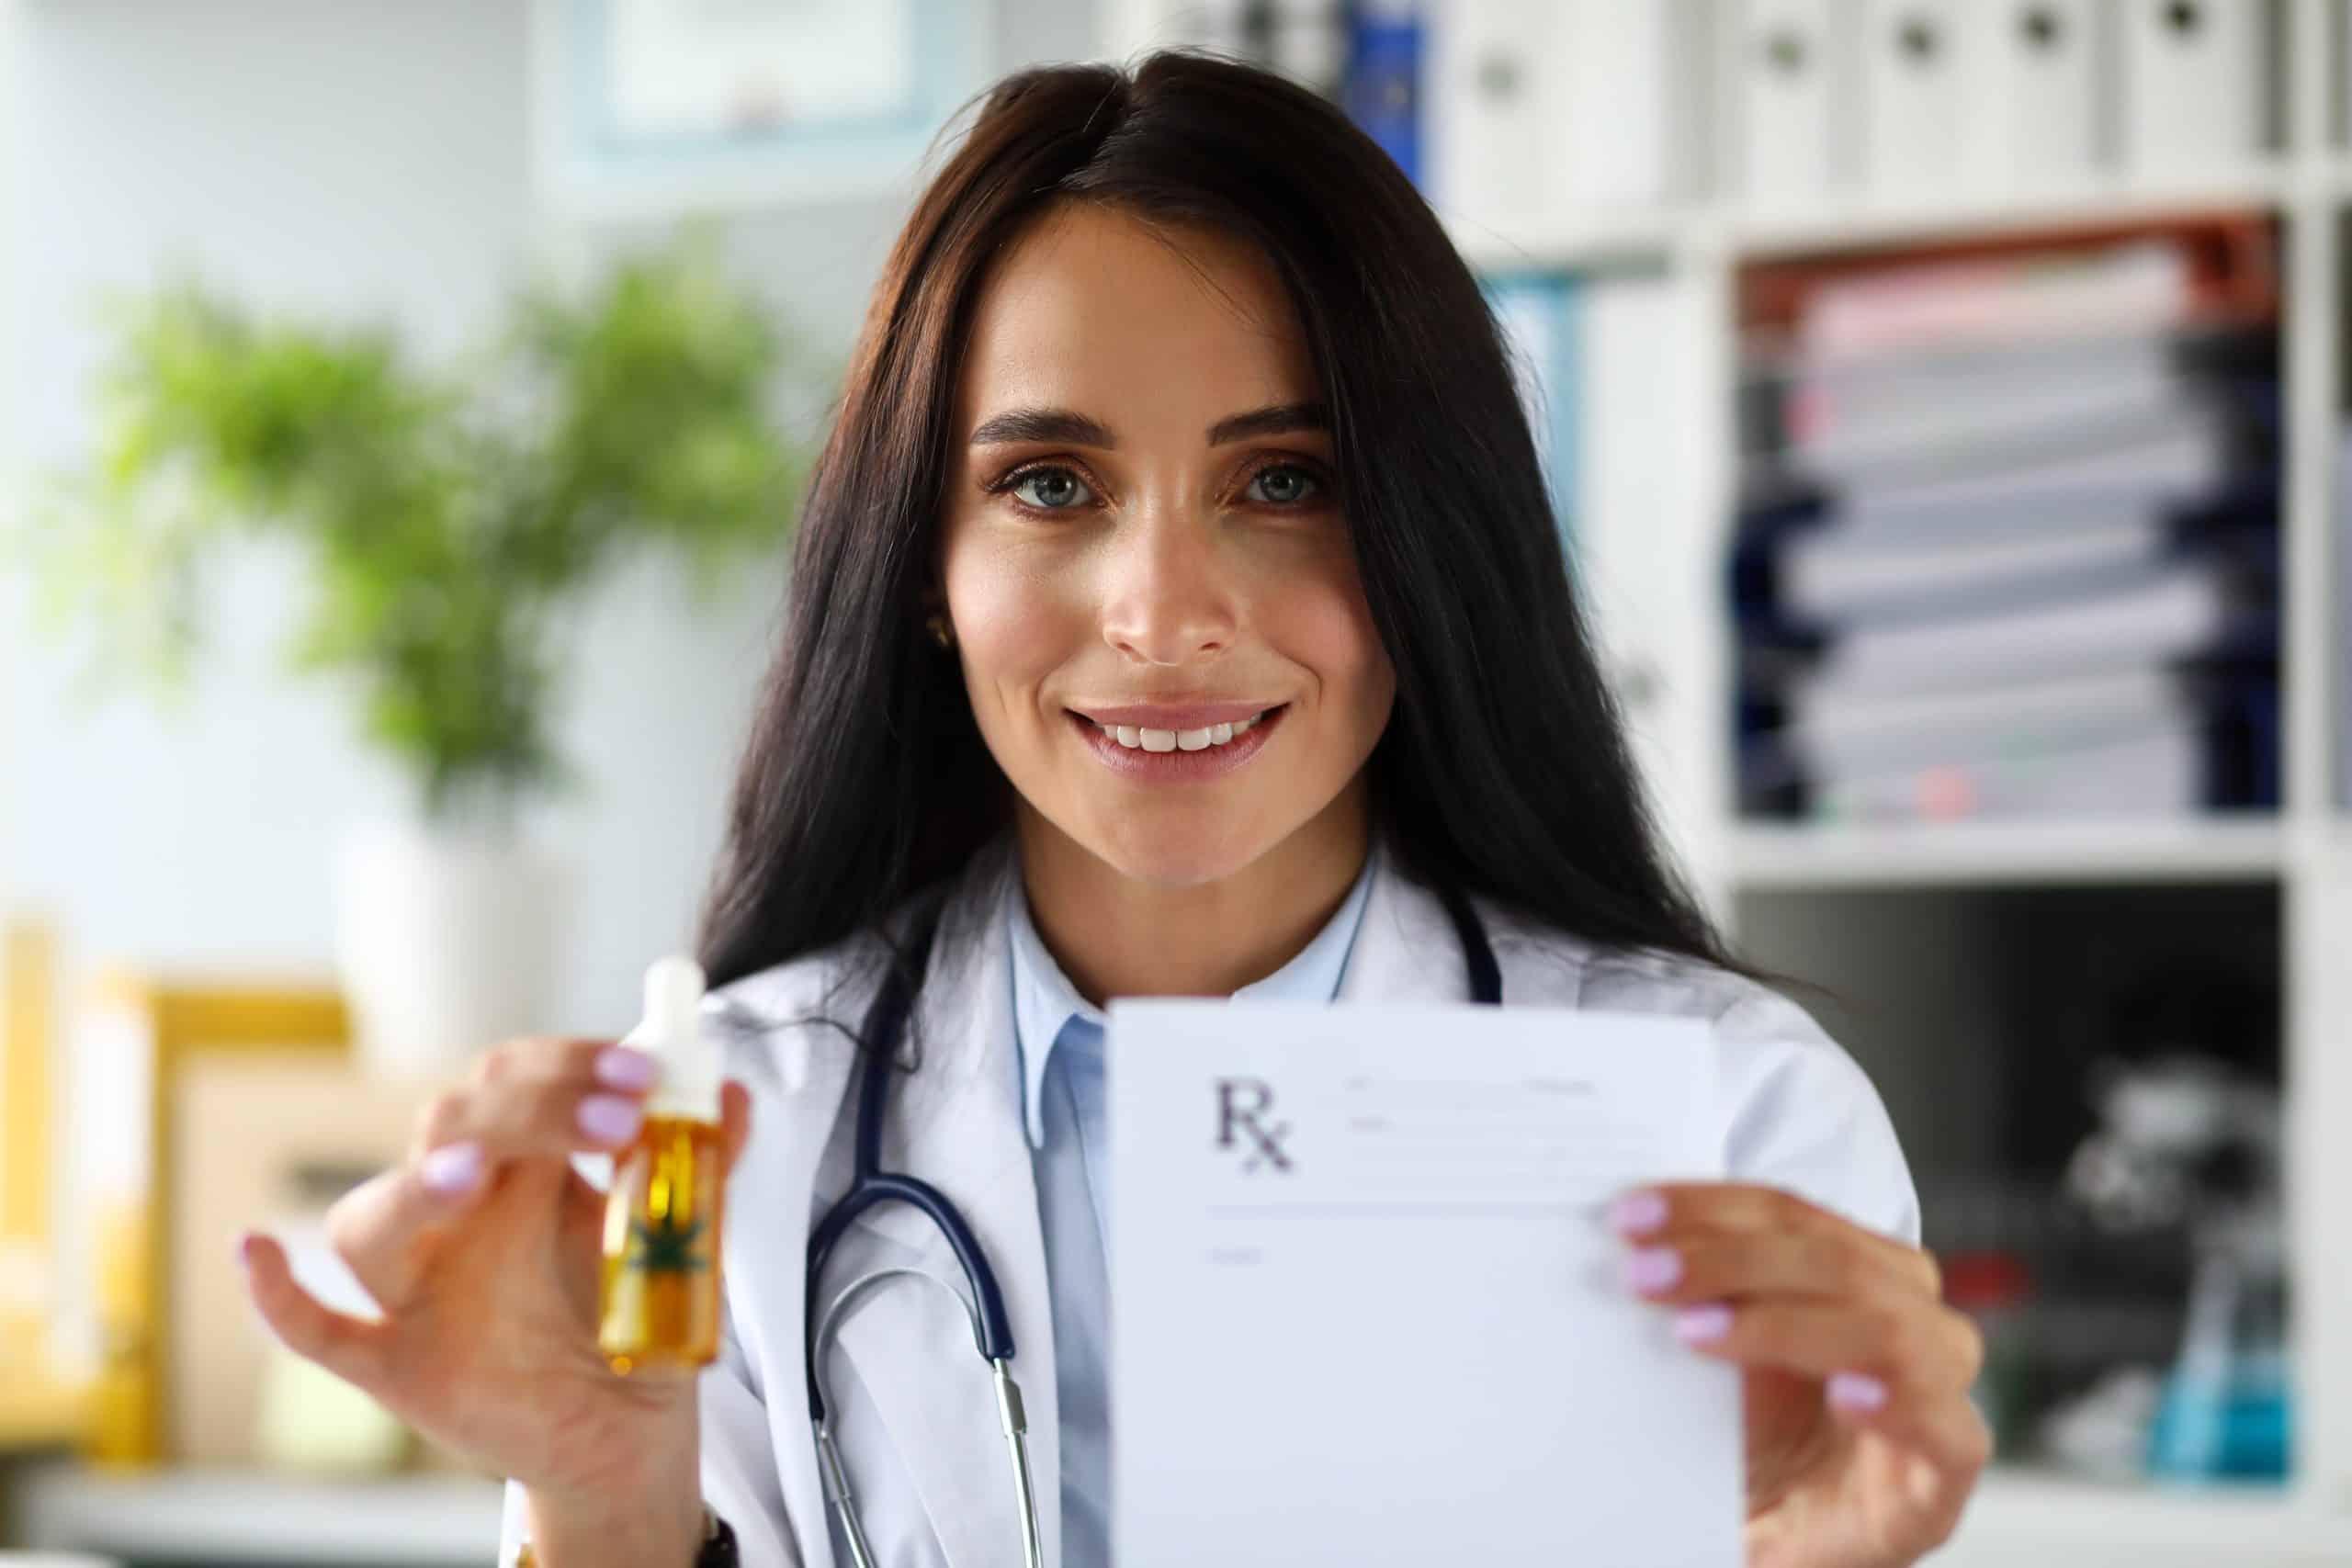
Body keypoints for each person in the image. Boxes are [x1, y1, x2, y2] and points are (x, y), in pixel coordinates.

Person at [239, 49, 1988, 1568]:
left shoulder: (1733, 1132)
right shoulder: (731, 1145)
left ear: (1431, 542)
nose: (1162, 612)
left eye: (1286, 481)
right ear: (926, 563)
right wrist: (607, 1517)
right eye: (1052, 484)